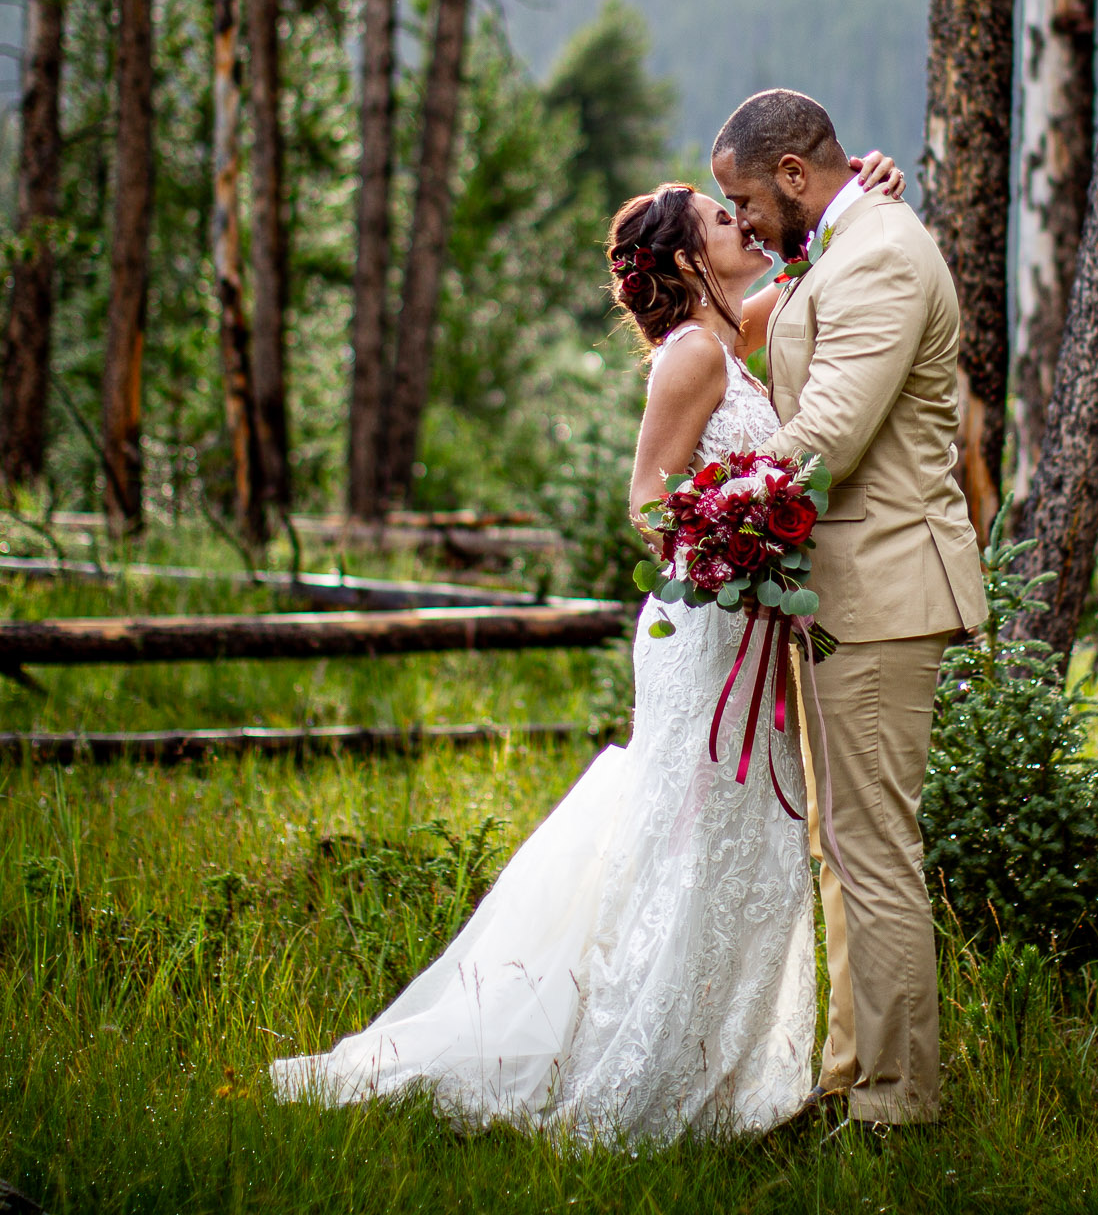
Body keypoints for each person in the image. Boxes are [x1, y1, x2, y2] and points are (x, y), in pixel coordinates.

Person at [269, 151, 905, 1142]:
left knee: (742, 849)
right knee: (696, 844)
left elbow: (812, 261)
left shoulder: (736, 341)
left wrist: (859, 193)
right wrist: (737, 532)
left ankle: (725, 1072)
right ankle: (649, 1071)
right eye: (717, 216)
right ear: (690, 259)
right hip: (710, 629)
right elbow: (649, 503)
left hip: (751, 622)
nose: (741, 222)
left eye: (738, 211)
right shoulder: (693, 358)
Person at [712, 89, 985, 1128]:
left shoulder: (876, 251)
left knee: (874, 853)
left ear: (792, 175)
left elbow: (828, 432)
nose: (739, 223)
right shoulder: (846, 239)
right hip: (852, 592)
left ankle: (897, 1101)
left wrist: (710, 507)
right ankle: (849, 1074)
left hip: (883, 590)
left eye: (745, 200)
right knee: (847, 845)